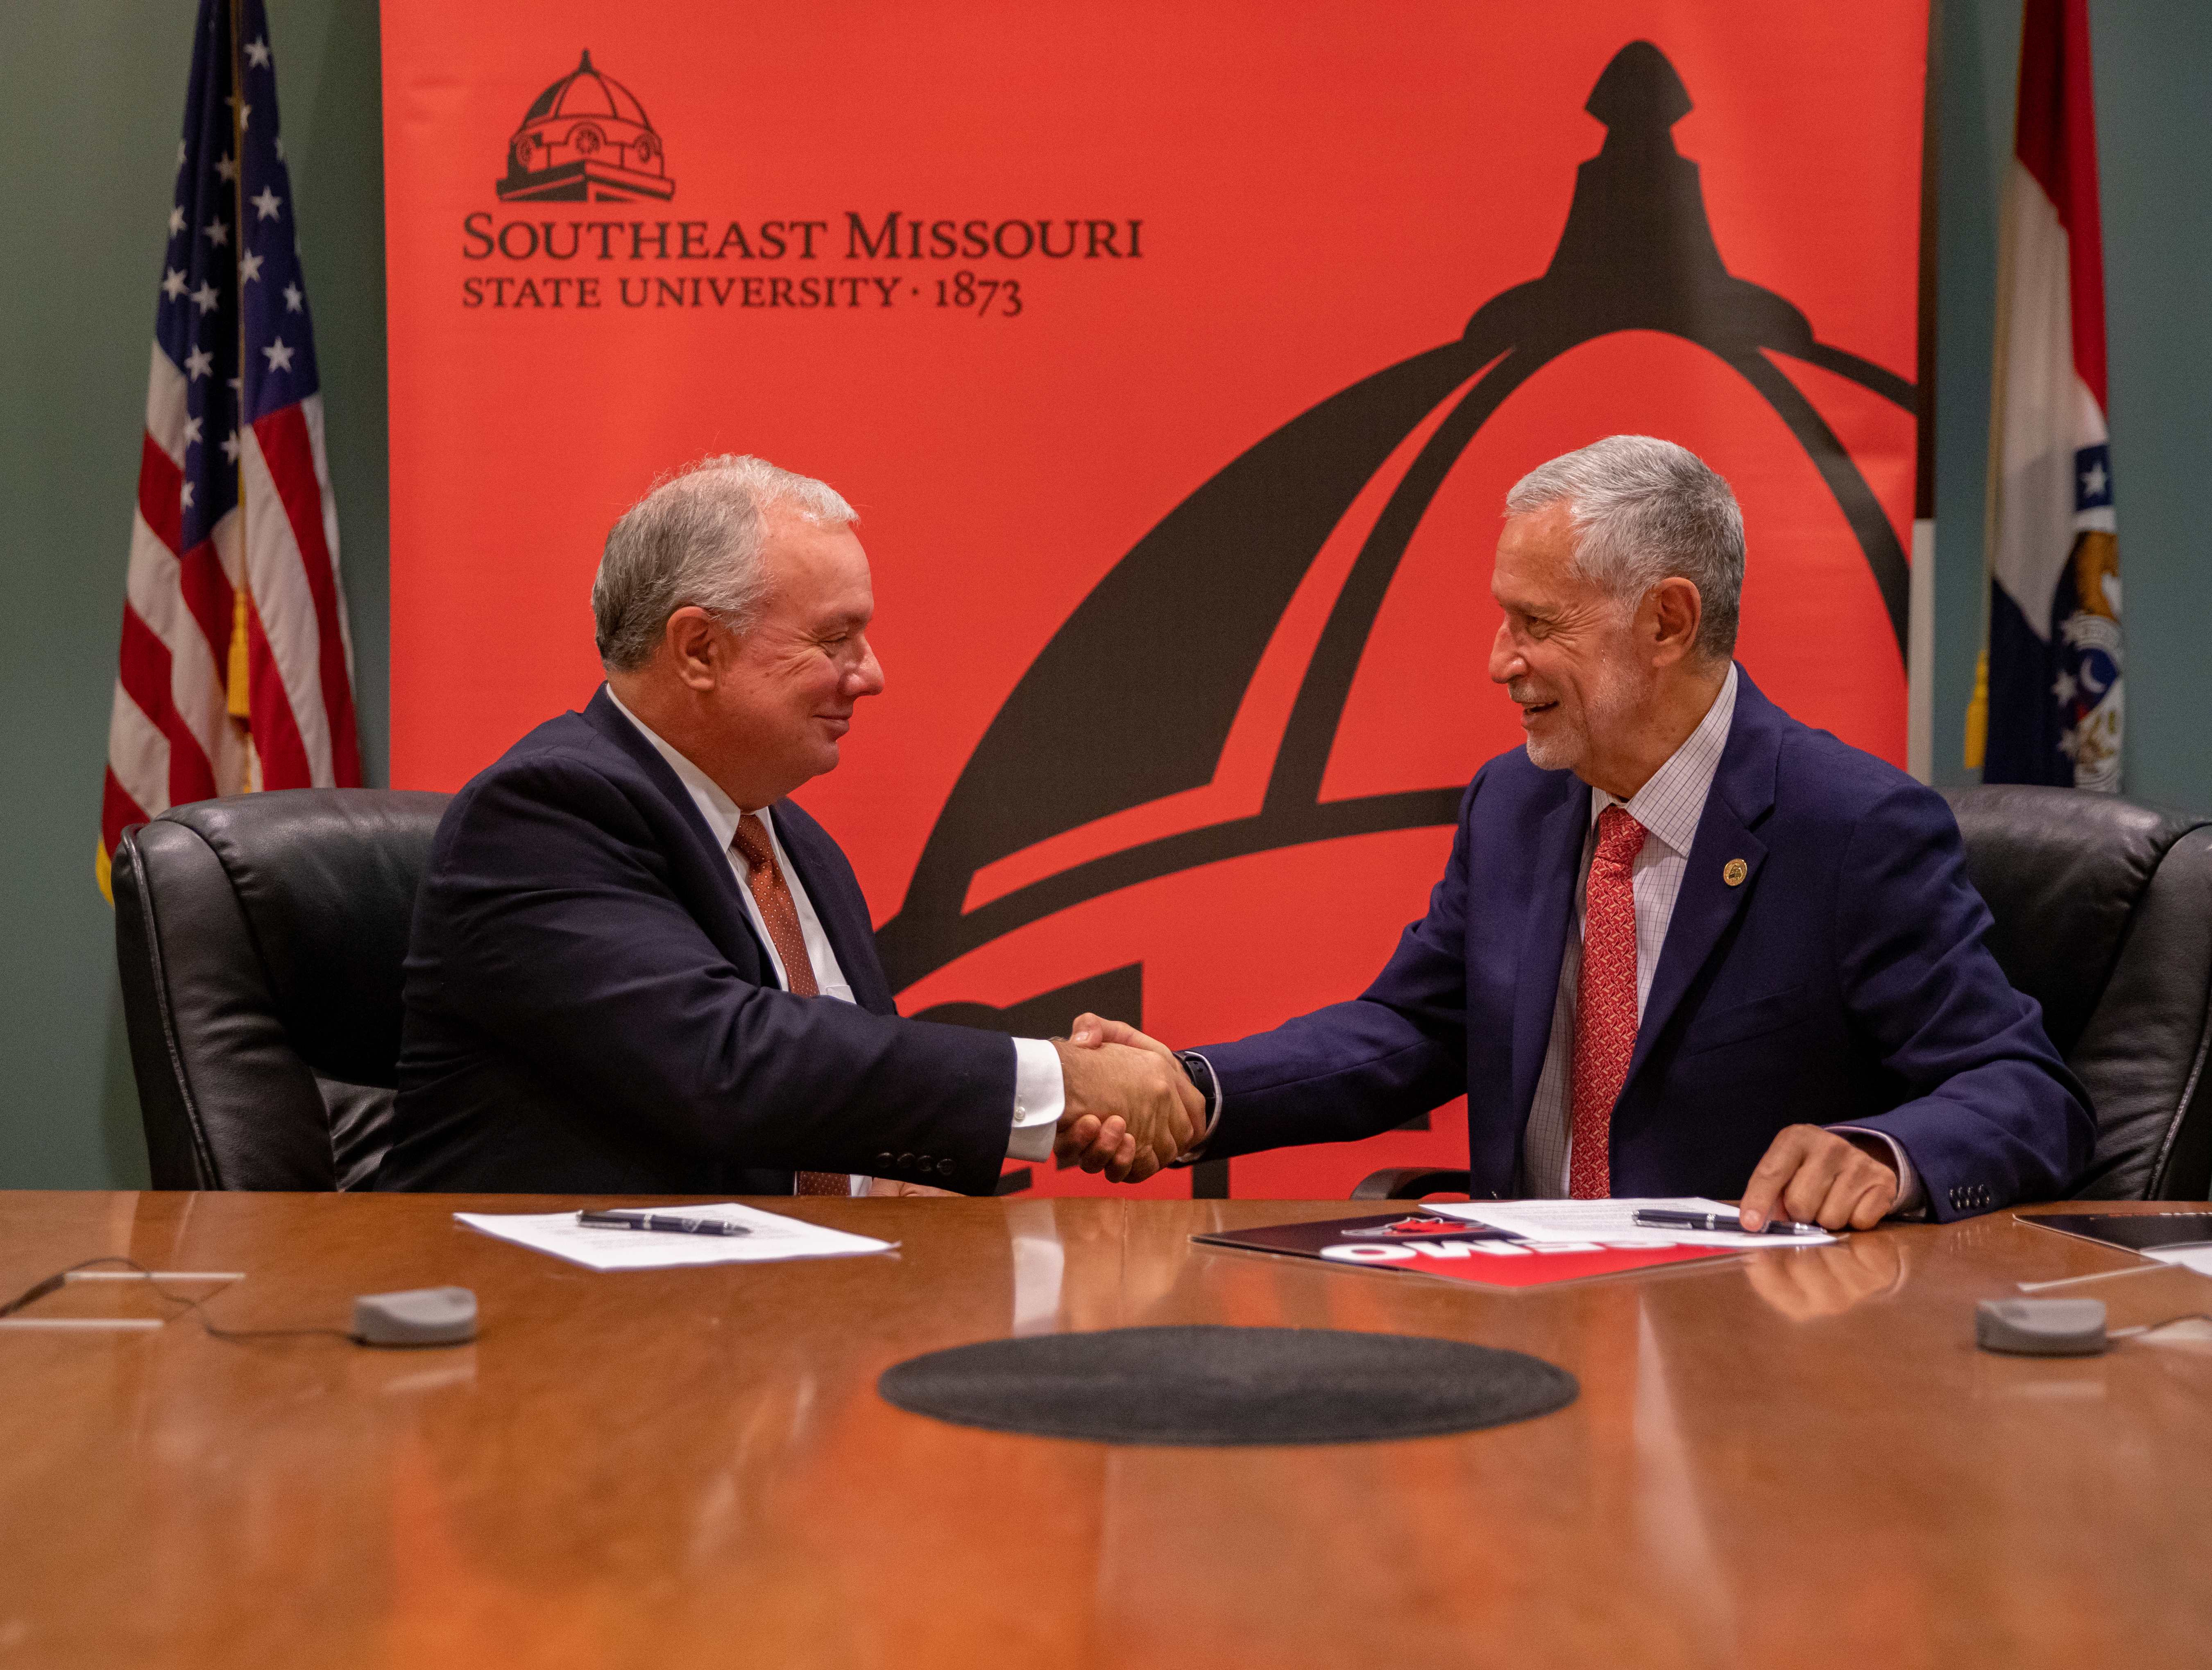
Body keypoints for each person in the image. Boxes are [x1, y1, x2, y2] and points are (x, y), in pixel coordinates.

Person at [1075, 435, 2093, 1226]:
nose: (1498, 660)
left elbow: (2024, 1089)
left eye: (1538, 624)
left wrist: (1881, 1151)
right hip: (1519, 1320)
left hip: (1741, 1350)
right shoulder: (1513, 804)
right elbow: (1414, 1031)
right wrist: (1194, 1087)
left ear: (1667, 623)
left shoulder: (1854, 827)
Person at [374, 455, 1194, 1195]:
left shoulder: (795, 846)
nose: (871, 675)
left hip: (795, 1319)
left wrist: (915, 1173)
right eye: (836, 639)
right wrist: (1057, 1083)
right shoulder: (544, 813)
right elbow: (726, 1062)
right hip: (565, 1331)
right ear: (699, 649)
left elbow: (846, 1092)